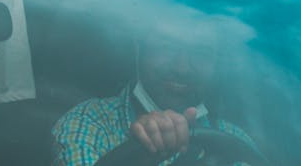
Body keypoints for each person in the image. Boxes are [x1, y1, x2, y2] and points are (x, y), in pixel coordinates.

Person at [51, 19, 260, 166]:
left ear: (216, 65)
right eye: (166, 46)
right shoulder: (88, 124)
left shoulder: (234, 141)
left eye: (200, 53)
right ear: (139, 49)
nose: (182, 68)